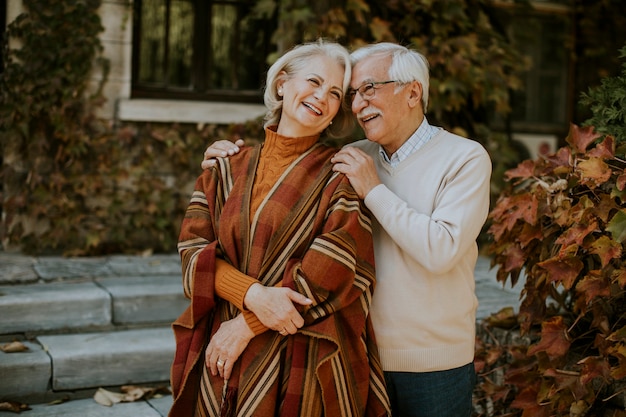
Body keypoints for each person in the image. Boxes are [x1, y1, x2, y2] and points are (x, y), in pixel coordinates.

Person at [202, 42, 492, 417]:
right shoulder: (354, 156)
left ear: (413, 91)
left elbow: (442, 250)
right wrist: (222, 167)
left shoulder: (464, 157)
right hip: (355, 353)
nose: (357, 104)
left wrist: (374, 189)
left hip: (433, 365)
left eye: (369, 88)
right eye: (352, 94)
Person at [170, 40, 391, 417]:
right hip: (223, 349)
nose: (322, 97)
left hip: (302, 354)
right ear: (282, 84)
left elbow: (333, 270)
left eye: (335, 93)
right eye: (314, 81)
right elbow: (193, 253)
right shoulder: (226, 166)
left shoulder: (337, 177)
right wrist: (253, 296)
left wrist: (247, 325)